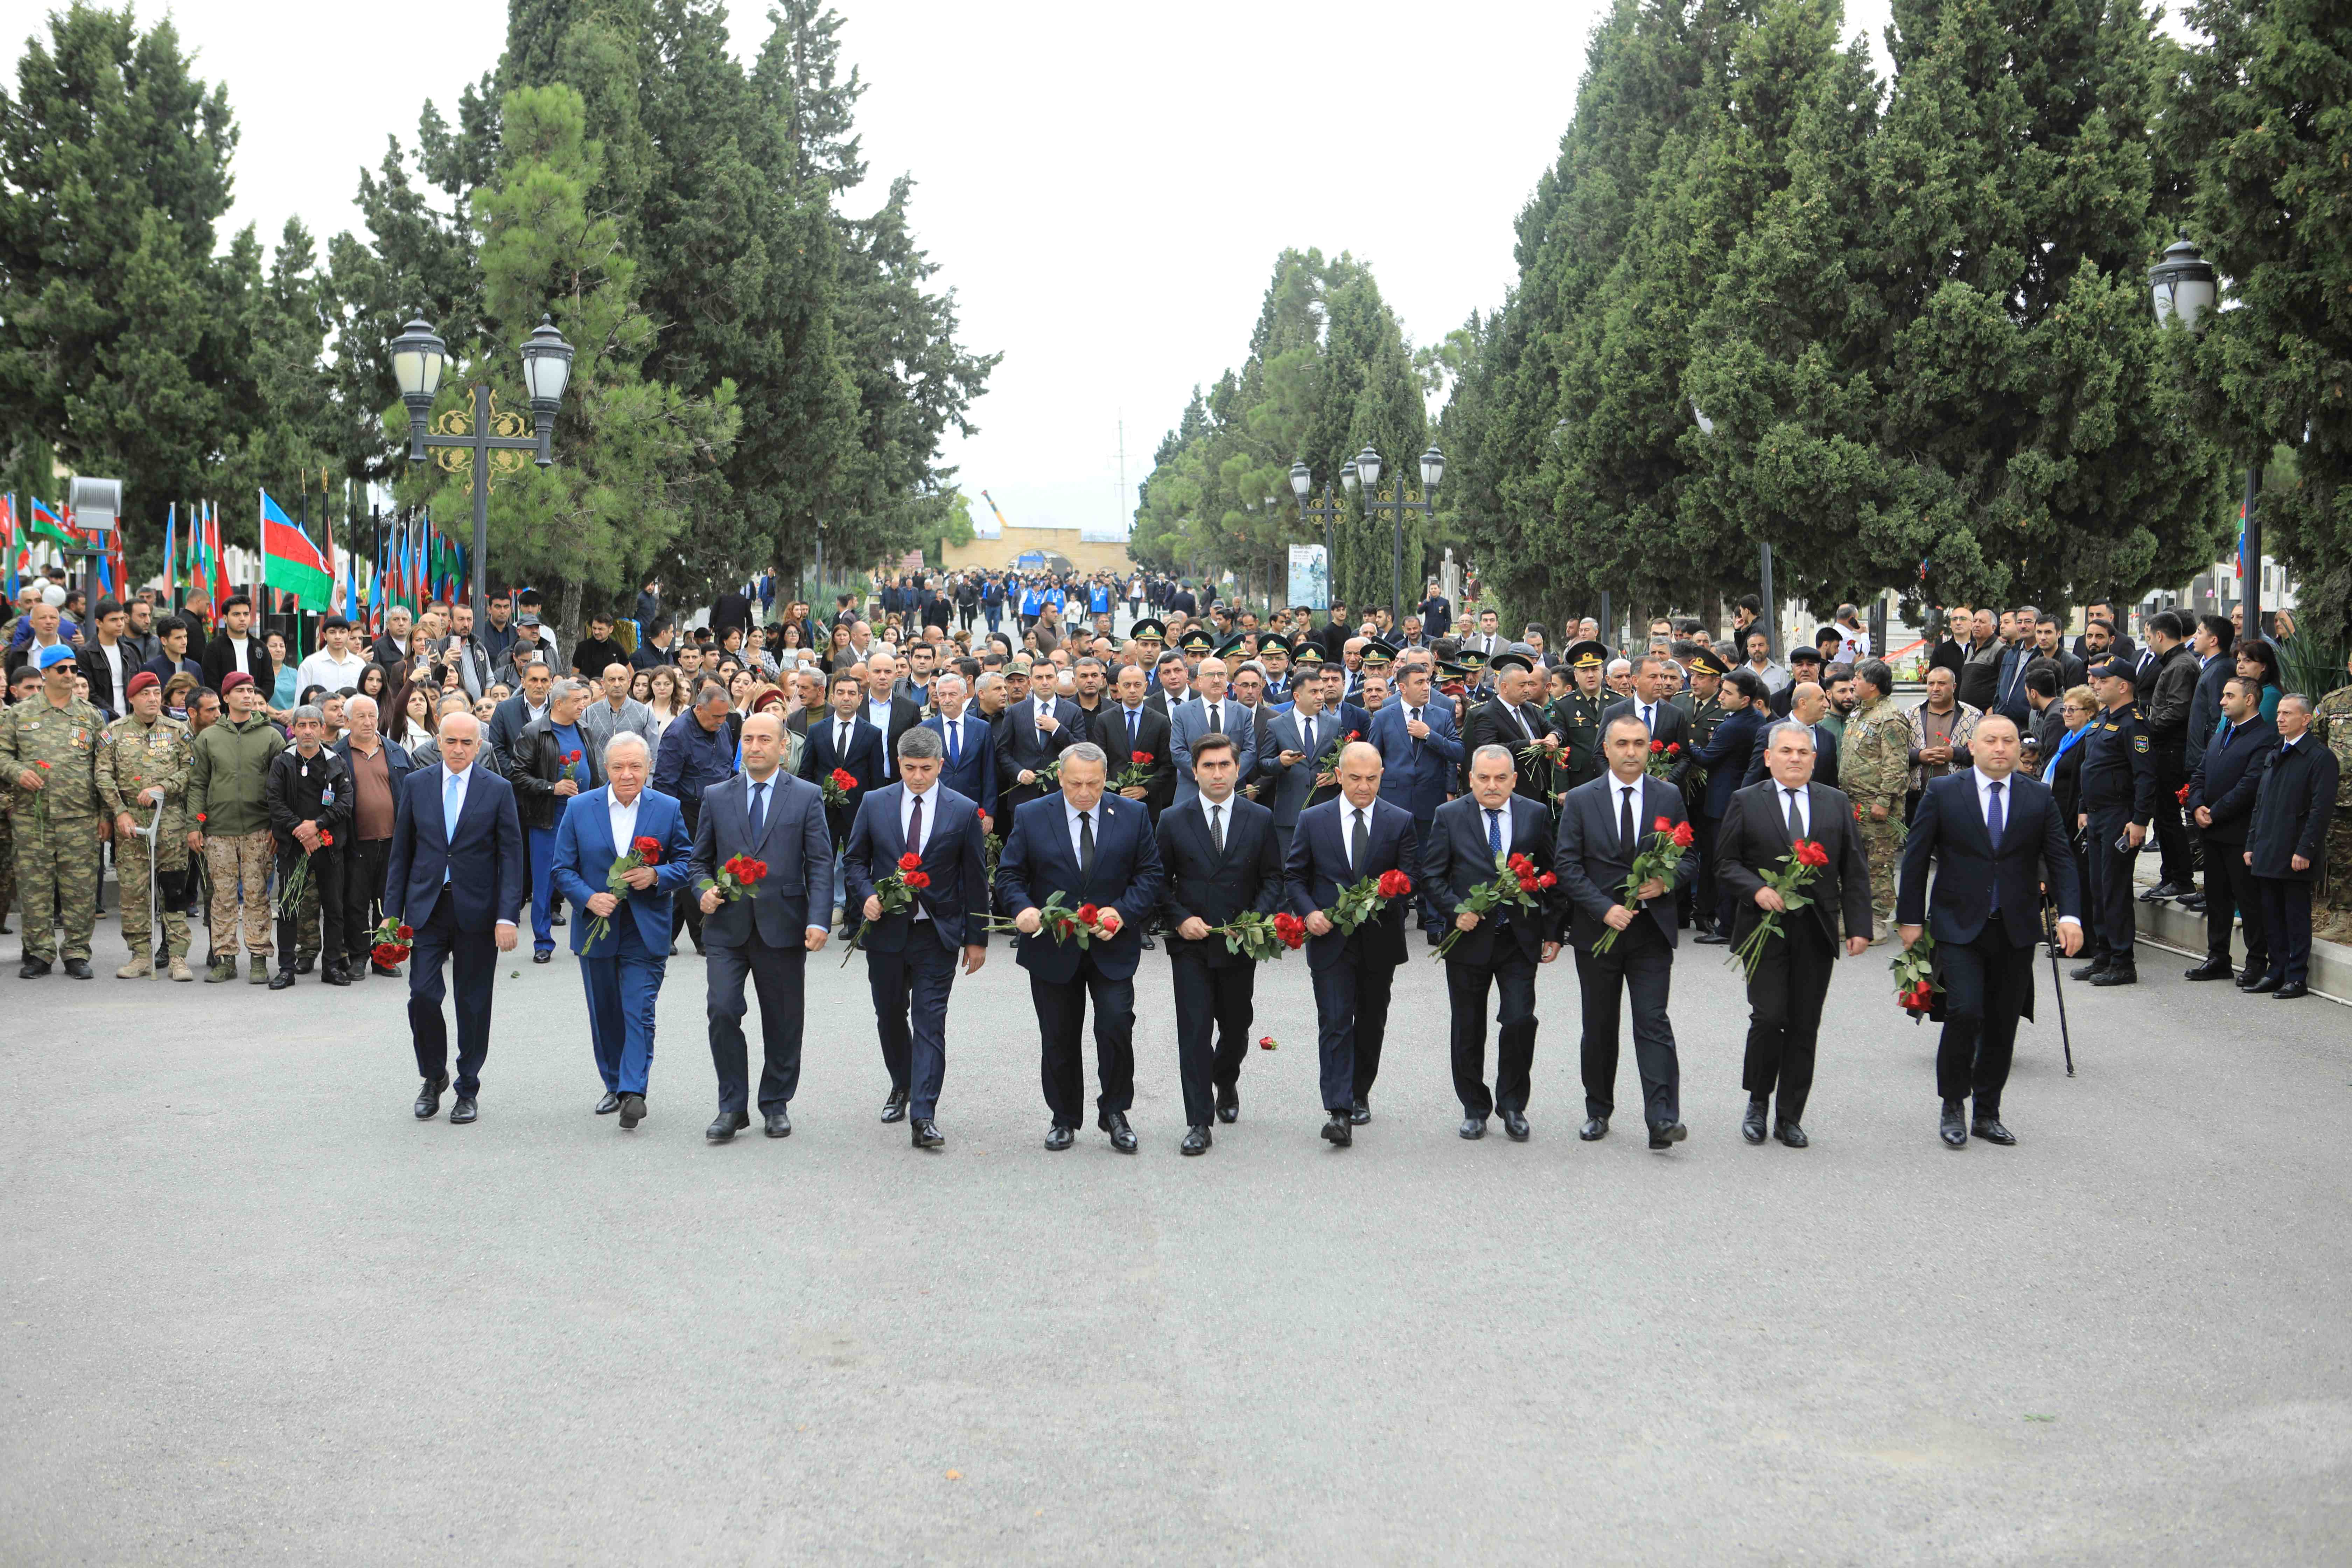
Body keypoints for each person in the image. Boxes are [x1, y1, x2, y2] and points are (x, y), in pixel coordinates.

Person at [1896, 713, 2083, 1147]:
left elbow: (2061, 859)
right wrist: (1909, 918)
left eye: (2009, 742)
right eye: (1991, 741)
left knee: (2002, 1023)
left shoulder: (2038, 797)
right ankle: (1952, 1104)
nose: (2000, 748)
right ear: (1974, 748)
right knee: (1965, 1010)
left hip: (2015, 927)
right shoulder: (1944, 792)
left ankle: (1987, 1111)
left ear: (2020, 750)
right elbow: (1918, 856)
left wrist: (2070, 916)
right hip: (1957, 923)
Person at [994, 742, 1166, 1153]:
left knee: (1116, 1027)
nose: (1084, 792)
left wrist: (1122, 912)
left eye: (1093, 783)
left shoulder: (1132, 814)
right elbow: (1010, 875)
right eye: (1075, 783)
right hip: (1053, 948)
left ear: (1106, 779)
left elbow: (1150, 874)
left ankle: (1116, 1112)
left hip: (1112, 945)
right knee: (1058, 1035)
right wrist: (1022, 909)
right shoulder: (1033, 815)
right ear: (1060, 778)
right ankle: (1064, 1117)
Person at [1713, 721, 1873, 1147]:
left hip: (1816, 930)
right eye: (1786, 751)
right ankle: (1758, 1101)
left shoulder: (1835, 803)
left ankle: (1790, 1115)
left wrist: (1859, 927)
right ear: (1769, 757)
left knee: (1805, 1023)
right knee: (1769, 1017)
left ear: (1815, 760)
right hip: (1763, 931)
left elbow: (1854, 869)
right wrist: (1758, 890)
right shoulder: (1746, 801)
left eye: (1803, 753)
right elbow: (1725, 863)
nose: (1795, 759)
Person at [843, 726, 989, 1147]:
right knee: (890, 1014)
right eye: (910, 768)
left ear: (941, 765)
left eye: (927, 768)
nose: (918, 777)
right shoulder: (874, 803)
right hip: (886, 930)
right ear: (899, 763)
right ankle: (902, 1084)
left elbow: (975, 879)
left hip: (936, 932)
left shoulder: (963, 810)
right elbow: (854, 860)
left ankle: (924, 1115)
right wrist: (868, 895)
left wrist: (976, 937)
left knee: (930, 1022)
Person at [693, 712, 834, 1140]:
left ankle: (775, 1102)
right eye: (748, 739)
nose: (755, 747)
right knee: (722, 1009)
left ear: (783, 748)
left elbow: (821, 862)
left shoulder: (807, 796)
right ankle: (732, 1107)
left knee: (783, 1019)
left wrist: (819, 919)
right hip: (727, 927)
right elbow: (699, 860)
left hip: (784, 924)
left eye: (764, 740)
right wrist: (704, 889)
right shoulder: (717, 795)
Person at [1553, 714, 1690, 1149]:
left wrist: (1666, 882)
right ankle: (1598, 1109)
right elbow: (1567, 866)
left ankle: (1663, 1118)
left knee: (1653, 1023)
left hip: (1651, 931)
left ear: (1650, 748)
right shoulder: (1580, 799)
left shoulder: (1668, 795)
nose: (1632, 752)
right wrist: (1603, 907)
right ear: (1607, 750)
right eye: (1623, 744)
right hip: (1598, 933)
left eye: (1640, 744)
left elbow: (1690, 858)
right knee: (1599, 1025)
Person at [385, 711, 525, 1124]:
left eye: (468, 743)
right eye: (452, 742)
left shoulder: (497, 789)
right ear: (438, 743)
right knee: (423, 996)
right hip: (426, 909)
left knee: (473, 1001)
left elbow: (511, 857)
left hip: (478, 912)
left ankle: (467, 1086)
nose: (459, 749)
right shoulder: (417, 784)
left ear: (479, 746)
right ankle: (433, 1076)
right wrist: (391, 920)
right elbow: (401, 856)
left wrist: (508, 917)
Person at [550, 732, 693, 1129]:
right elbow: (561, 868)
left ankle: (634, 1091)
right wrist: (588, 898)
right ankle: (613, 1083)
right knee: (606, 1012)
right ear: (606, 768)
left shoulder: (667, 808)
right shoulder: (580, 808)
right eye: (618, 767)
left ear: (648, 768)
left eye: (635, 766)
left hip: (645, 928)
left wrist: (656, 874)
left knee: (638, 1009)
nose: (627, 775)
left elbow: (688, 861)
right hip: (596, 925)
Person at [1154, 731, 1282, 1153]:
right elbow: (1159, 882)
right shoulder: (1174, 819)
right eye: (1207, 766)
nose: (1217, 773)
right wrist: (1180, 919)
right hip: (1190, 943)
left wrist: (1252, 922)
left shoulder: (1258, 817)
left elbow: (1272, 879)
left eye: (1224, 764)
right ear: (1195, 772)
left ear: (1238, 767)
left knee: (1236, 1026)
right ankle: (1198, 1121)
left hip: (1238, 943)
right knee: (1193, 1032)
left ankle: (1226, 1079)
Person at [1425, 744, 1561, 1141]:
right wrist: (1455, 910)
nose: (1492, 785)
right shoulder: (1449, 816)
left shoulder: (1534, 814)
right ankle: (1474, 1106)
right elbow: (1432, 875)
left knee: (1520, 1020)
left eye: (1501, 778)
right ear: (1470, 778)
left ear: (1514, 780)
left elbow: (1551, 875)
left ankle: (1513, 1104)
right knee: (1468, 1026)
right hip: (1468, 939)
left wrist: (1553, 931)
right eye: (1483, 777)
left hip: (1519, 938)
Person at [1283, 740, 1416, 1145]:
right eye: (1355, 778)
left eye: (1372, 779)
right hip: (1329, 939)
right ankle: (1338, 1110)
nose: (1363, 787)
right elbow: (1295, 875)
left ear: (1382, 777)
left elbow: (1411, 875)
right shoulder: (1313, 818)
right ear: (1339, 776)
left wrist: (1387, 894)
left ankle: (1361, 1092)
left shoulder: (1400, 820)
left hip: (1380, 939)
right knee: (1336, 1021)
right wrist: (1309, 913)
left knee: (1371, 1020)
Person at [0, 644, 105, 977]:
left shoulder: (90, 714)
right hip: (34, 817)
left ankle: (76, 952)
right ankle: (39, 953)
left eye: (74, 669)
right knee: (35, 889)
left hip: (80, 817)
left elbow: (104, 767)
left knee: (80, 889)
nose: (70, 675)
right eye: (62, 669)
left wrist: (106, 814)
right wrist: (19, 773)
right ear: (45, 672)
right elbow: (2, 755)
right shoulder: (20, 714)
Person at [94, 671, 194, 980]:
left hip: (171, 824)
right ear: (132, 699)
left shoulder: (178, 731)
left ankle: (178, 956)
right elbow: (102, 775)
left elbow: (191, 769)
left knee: (174, 891)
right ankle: (140, 956)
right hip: (131, 828)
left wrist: (164, 787)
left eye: (156, 693)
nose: (153, 699)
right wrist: (119, 812)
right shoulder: (115, 733)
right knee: (134, 892)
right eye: (146, 694)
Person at [186, 671, 284, 983]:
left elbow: (281, 786)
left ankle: (258, 959)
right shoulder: (209, 738)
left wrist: (276, 826)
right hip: (219, 831)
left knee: (257, 896)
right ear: (226, 698)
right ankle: (225, 958)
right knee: (223, 897)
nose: (247, 695)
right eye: (240, 690)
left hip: (259, 828)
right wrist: (195, 825)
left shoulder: (271, 736)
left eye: (251, 690)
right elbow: (198, 784)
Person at [2182, 675, 2276, 985]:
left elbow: (2250, 786)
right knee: (2217, 898)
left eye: (2228, 696)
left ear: (2249, 700)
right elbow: (2200, 773)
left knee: (2248, 900)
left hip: (2240, 833)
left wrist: (2215, 813)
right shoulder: (2222, 734)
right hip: (2212, 831)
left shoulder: (2264, 737)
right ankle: (2218, 957)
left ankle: (2256, 962)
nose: (2222, 702)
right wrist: (2197, 806)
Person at [2244, 694, 2339, 1000]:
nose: (2280, 718)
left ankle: (2296, 977)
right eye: (2280, 713)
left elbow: (2320, 810)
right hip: (2269, 846)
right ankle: (2276, 971)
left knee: (2295, 917)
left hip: (2296, 851)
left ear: (2307, 719)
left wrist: (2306, 849)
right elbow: (2261, 805)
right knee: (2271, 915)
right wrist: (2251, 843)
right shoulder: (2275, 752)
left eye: (2288, 714)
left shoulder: (2319, 757)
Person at [2071, 657, 2158, 986]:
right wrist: (2083, 806)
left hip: (2119, 818)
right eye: (2094, 678)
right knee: (2097, 888)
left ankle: (2123, 962)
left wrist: (2139, 821)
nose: (2095, 684)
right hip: (2095, 815)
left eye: (2103, 680)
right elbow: (2089, 766)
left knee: (2115, 890)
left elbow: (2146, 777)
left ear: (2123, 686)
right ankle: (2103, 954)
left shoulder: (2134, 724)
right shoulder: (2103, 720)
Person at [1368, 659, 1462, 942]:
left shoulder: (1440, 714)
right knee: (1393, 861)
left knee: (1430, 861)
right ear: (1402, 688)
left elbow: (1457, 752)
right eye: (1420, 683)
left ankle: (1434, 923)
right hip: (1393, 799)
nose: (1426, 687)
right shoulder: (1384, 716)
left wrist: (1430, 736)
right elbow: (1373, 756)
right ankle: (1391, 917)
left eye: (1428, 682)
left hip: (1429, 798)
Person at [512, 677, 602, 963]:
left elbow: (594, 771)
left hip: (583, 817)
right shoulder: (535, 732)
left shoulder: (584, 728)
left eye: (584, 700)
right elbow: (517, 776)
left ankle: (585, 937)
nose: (583, 705)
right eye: (577, 701)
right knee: (544, 883)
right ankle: (543, 942)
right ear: (559, 703)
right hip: (549, 819)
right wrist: (553, 787)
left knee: (587, 878)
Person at [264, 705, 352, 989]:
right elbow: (275, 803)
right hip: (293, 847)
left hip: (328, 846)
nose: (308, 731)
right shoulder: (283, 762)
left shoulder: (335, 762)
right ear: (294, 729)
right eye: (301, 725)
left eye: (313, 725)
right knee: (289, 909)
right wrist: (302, 831)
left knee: (334, 909)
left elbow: (345, 803)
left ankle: (331, 967)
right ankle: (286, 970)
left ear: (322, 728)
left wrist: (318, 825)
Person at [657, 680, 741, 951]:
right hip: (688, 811)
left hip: (720, 807)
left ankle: (665, 934)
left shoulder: (723, 726)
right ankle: (702, 936)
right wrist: (669, 823)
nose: (721, 722)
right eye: (716, 717)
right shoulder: (678, 733)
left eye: (725, 716)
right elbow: (665, 782)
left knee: (696, 875)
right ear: (699, 709)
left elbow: (727, 768)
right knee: (695, 872)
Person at [332, 694, 411, 979]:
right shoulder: (336, 754)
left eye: (373, 716)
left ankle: (384, 956)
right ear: (347, 720)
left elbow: (410, 794)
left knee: (388, 901)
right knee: (355, 901)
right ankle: (358, 957)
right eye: (361, 717)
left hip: (393, 840)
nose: (368, 722)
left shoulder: (395, 752)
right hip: (355, 842)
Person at [1841, 661, 1913, 941]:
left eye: (1857, 679)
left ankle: (1877, 920)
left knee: (1878, 864)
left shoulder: (1890, 717)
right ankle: (1851, 917)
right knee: (1853, 860)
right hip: (1852, 802)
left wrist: (1884, 800)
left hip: (1876, 806)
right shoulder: (1860, 713)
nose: (1853, 684)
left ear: (1873, 685)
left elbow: (1896, 765)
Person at [199, 595, 274, 701]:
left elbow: (269, 681)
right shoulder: (214, 648)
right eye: (236, 614)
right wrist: (231, 701)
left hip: (256, 709)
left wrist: (257, 699)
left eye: (246, 614)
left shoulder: (260, 647)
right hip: (225, 710)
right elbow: (211, 683)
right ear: (225, 618)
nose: (242, 619)